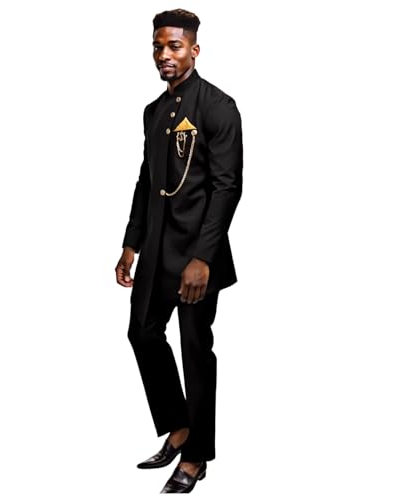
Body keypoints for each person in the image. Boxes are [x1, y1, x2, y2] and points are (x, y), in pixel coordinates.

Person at [115, 8, 243, 494]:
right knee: (142, 333)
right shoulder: (153, 111)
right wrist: (131, 243)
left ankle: (196, 456)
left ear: (194, 49)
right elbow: (146, 181)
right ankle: (179, 426)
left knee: (195, 351)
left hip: (196, 257)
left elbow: (228, 187)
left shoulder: (219, 106)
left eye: (174, 46)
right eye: (157, 46)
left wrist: (203, 258)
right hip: (156, 249)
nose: (164, 55)